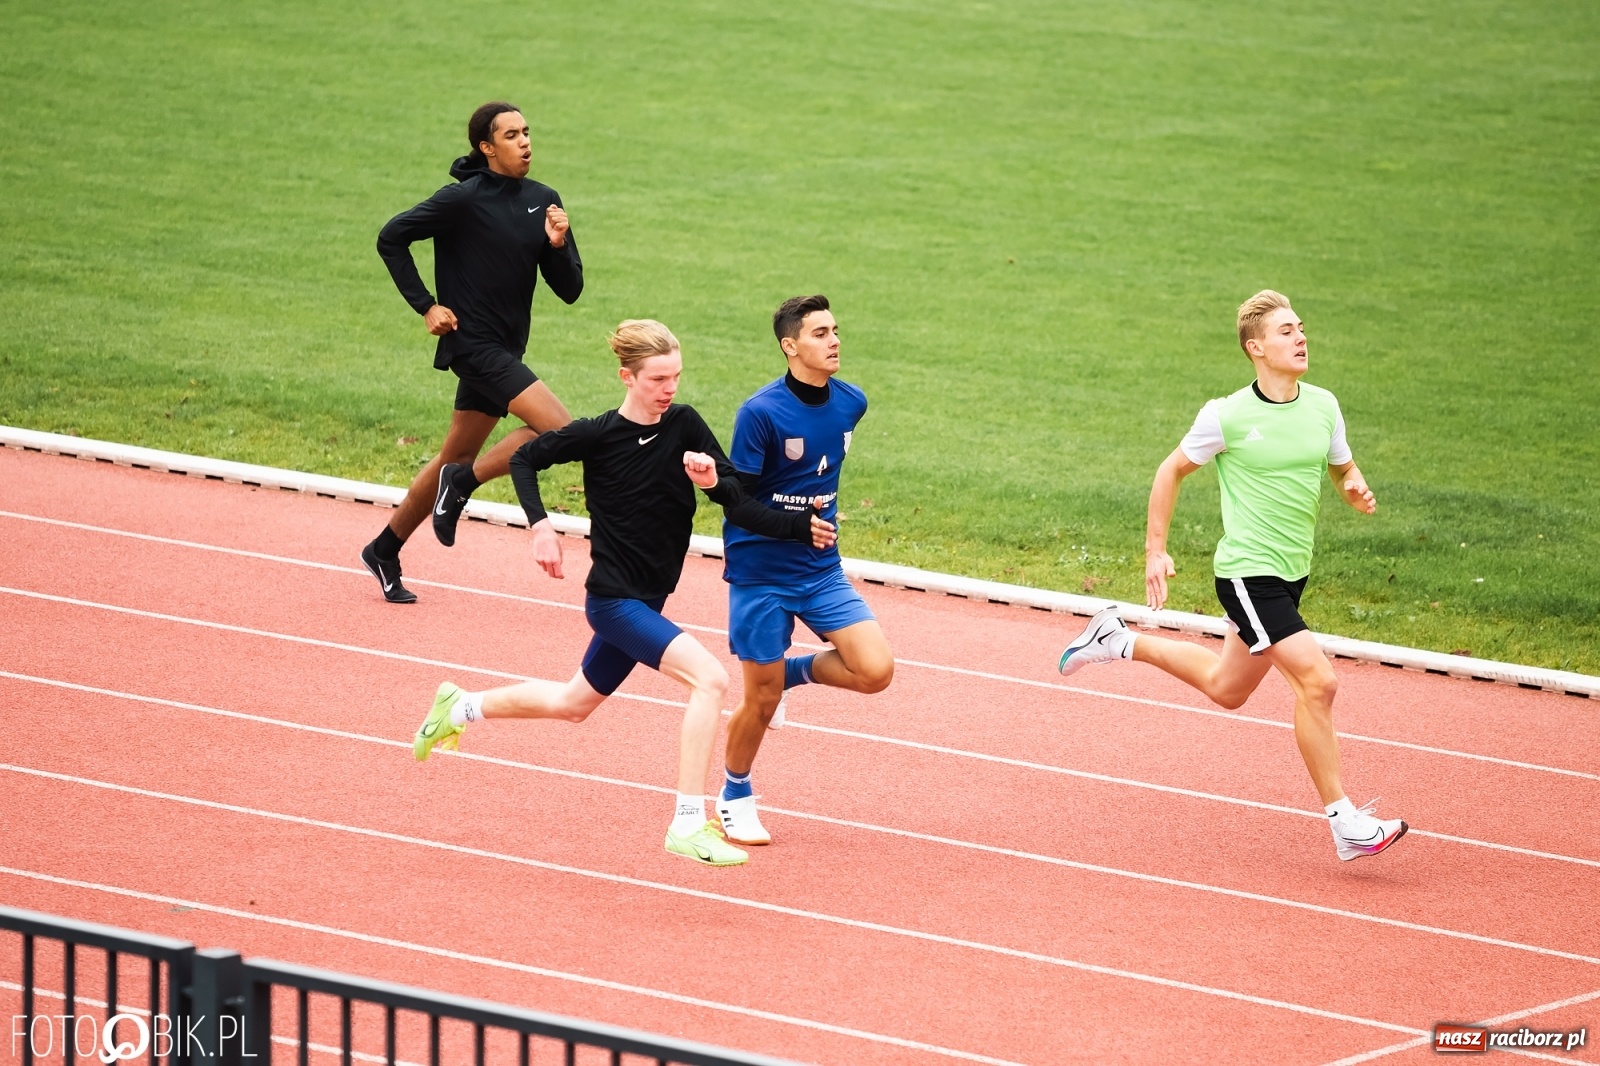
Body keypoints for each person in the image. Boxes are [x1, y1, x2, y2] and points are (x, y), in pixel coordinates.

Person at [410, 320, 836, 867]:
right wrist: (540, 525)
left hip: (650, 599)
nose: (670, 390)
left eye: (676, 377)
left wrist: (721, 487)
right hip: (614, 601)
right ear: (627, 377)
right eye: (659, 379)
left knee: (573, 703)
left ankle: (460, 706)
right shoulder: (597, 435)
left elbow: (739, 499)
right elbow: (523, 458)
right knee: (710, 680)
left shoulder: (684, 425)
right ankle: (687, 823)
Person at [1056, 290, 1407, 862]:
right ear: (1256, 347)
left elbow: (1341, 467)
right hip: (1248, 574)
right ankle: (1345, 823)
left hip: (1292, 574)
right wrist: (1155, 549)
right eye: (1286, 331)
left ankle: (1118, 640)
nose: (1300, 338)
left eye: (1301, 328)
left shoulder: (1324, 406)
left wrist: (1354, 491)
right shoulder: (1226, 415)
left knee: (1228, 689)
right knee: (1318, 683)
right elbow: (1171, 471)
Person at [361, 101, 583, 603]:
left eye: (527, 132)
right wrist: (426, 306)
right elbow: (391, 238)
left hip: (506, 346)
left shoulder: (543, 200)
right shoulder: (461, 200)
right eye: (511, 135)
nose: (525, 142)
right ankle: (464, 482)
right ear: (486, 147)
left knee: (453, 453)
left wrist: (557, 244)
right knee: (562, 430)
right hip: (472, 345)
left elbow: (569, 290)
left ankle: (384, 547)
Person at [715, 295, 895, 847]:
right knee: (760, 703)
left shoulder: (852, 402)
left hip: (820, 570)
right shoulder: (760, 414)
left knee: (876, 671)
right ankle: (734, 794)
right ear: (790, 346)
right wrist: (798, 522)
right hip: (760, 573)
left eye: (836, 330)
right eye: (820, 333)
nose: (834, 340)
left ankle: (788, 673)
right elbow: (736, 502)